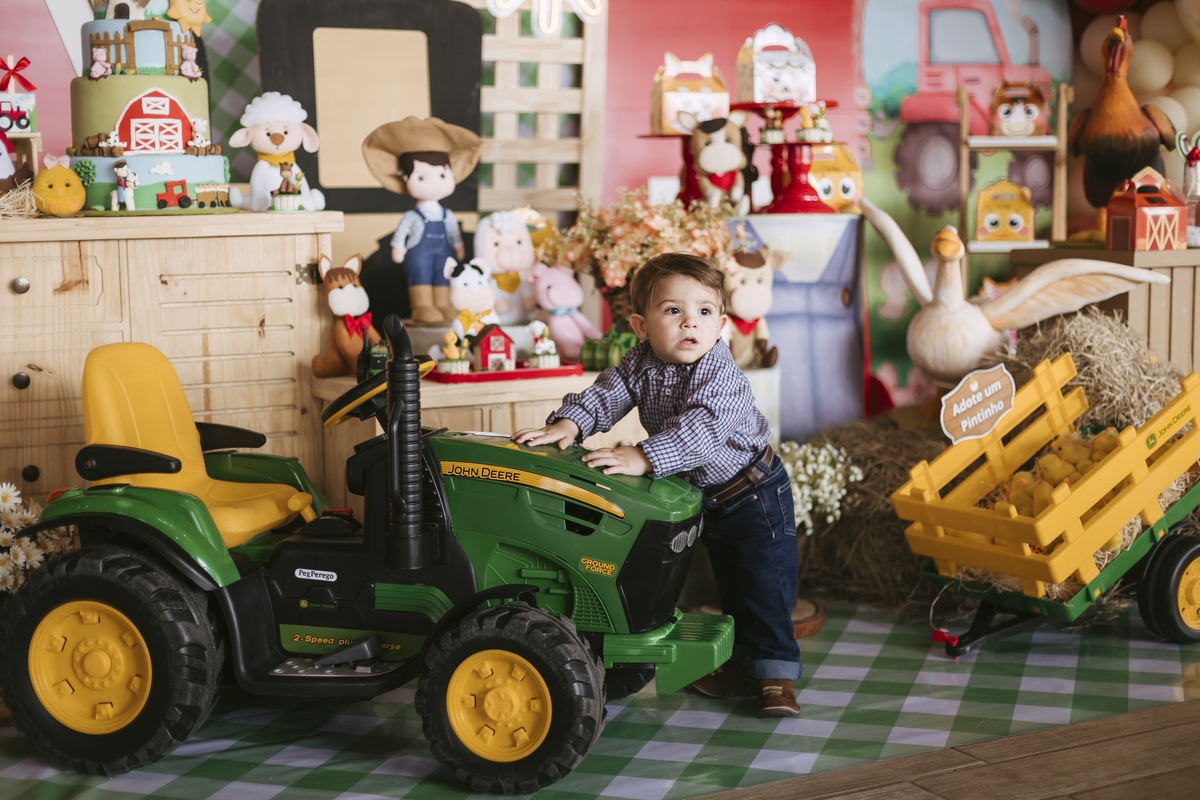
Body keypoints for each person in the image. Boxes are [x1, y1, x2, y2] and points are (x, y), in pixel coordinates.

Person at [511, 252, 801, 717]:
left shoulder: (721, 374)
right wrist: (570, 424)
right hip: (705, 497)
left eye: (704, 311)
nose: (690, 322)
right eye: (673, 310)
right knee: (729, 585)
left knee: (764, 584)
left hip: (753, 493)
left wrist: (643, 455)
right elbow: (607, 393)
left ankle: (775, 673)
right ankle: (740, 663)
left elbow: (702, 431)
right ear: (641, 326)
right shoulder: (640, 362)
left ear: (721, 324)